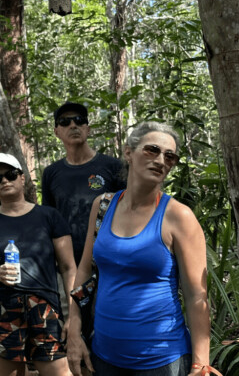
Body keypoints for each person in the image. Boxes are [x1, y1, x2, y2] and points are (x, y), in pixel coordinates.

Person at [67, 123, 211, 376]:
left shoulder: (179, 217)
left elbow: (196, 297)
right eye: (152, 150)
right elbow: (84, 269)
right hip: (104, 356)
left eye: (170, 156)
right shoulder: (102, 206)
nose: (160, 160)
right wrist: (73, 330)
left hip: (162, 361)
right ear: (128, 153)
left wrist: (201, 365)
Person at [0, 154, 75, 376]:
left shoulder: (49, 216)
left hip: (44, 308)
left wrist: (73, 313)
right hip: (3, 309)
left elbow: (68, 267)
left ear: (22, 178)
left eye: (10, 175)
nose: (4, 181)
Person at [41, 101, 126, 268]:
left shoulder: (113, 166)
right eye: (65, 122)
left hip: (109, 260)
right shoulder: (51, 173)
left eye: (79, 120)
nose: (73, 125)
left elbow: (128, 211)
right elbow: (50, 220)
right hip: (68, 265)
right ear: (56, 132)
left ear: (88, 128)